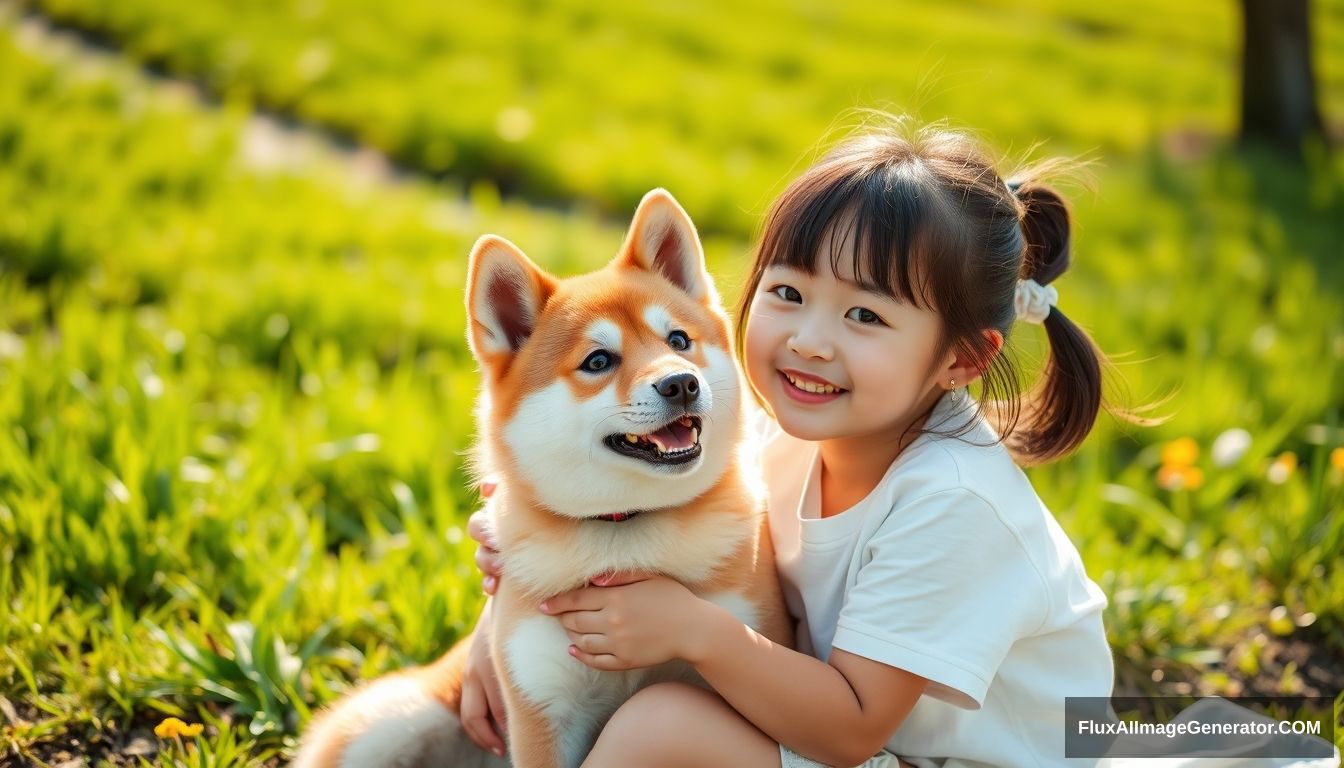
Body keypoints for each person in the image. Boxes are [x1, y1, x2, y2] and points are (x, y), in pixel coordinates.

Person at [459, 121, 1127, 767]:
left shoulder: (953, 501)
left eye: (864, 314)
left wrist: (695, 629)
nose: (809, 339)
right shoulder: (795, 442)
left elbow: (852, 732)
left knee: (660, 728)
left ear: (961, 359)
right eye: (787, 292)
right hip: (875, 748)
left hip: (952, 759)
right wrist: (513, 584)